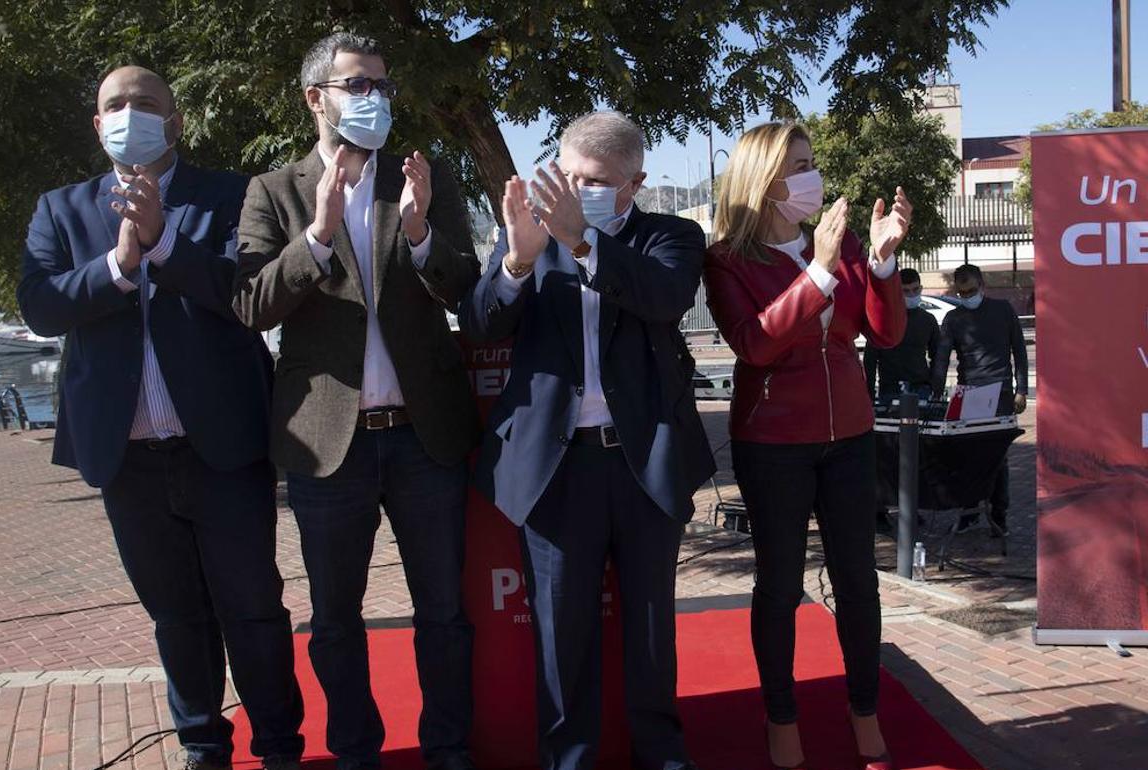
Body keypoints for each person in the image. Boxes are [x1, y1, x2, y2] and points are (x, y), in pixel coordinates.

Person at [16, 66, 303, 770]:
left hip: (224, 448)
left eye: (146, 103)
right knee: (175, 615)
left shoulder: (233, 195)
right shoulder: (61, 209)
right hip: (128, 456)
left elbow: (249, 292)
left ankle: (280, 747)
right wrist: (119, 264)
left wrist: (165, 242)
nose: (130, 114)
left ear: (174, 121)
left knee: (252, 607)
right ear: (97, 124)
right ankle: (203, 746)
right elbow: (40, 305)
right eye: (115, 104)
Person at [233, 33, 480, 770]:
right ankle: (355, 752)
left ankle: (449, 749)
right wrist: (316, 234)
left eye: (382, 85)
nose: (375, 98)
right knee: (336, 620)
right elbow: (251, 303)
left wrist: (420, 232)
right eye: (358, 85)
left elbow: (465, 289)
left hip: (424, 438)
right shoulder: (274, 192)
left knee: (444, 612)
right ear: (317, 98)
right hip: (327, 442)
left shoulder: (423, 177)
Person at [460, 111, 715, 770]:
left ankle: (662, 757)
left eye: (595, 182)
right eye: (569, 177)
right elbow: (482, 322)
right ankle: (568, 759)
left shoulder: (671, 236)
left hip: (645, 464)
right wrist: (516, 261)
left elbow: (664, 297)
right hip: (556, 468)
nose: (576, 193)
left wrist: (583, 243)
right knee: (560, 636)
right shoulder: (527, 233)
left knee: (651, 630)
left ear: (636, 183)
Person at [703, 122, 910, 770]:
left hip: (850, 434)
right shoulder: (727, 258)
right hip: (773, 440)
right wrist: (818, 272)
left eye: (811, 161)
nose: (812, 175)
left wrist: (881, 263)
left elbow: (886, 334)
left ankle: (865, 709)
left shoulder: (841, 240)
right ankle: (782, 716)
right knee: (780, 583)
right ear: (763, 178)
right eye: (798, 165)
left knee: (858, 579)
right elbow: (755, 344)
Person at [931, 264, 1028, 535]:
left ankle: (999, 515)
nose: (967, 297)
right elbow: (941, 358)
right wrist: (936, 391)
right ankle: (970, 512)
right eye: (962, 293)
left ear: (982, 285)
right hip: (969, 393)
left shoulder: (1003, 310)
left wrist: (1021, 389)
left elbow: (1019, 350)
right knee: (968, 456)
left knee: (999, 457)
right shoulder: (953, 318)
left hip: (1001, 393)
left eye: (971, 291)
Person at [864, 268, 939, 402]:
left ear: (921, 288)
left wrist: (935, 387)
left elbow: (937, 356)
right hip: (890, 388)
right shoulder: (883, 319)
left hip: (921, 387)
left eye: (915, 289)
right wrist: (869, 393)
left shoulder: (928, 320)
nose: (912, 295)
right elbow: (870, 359)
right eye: (906, 291)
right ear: (897, 291)